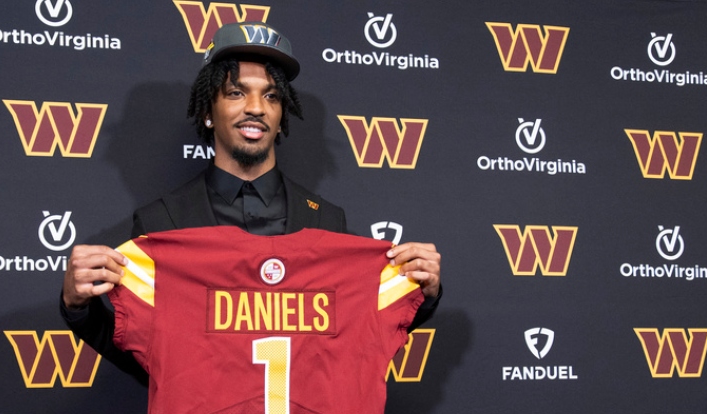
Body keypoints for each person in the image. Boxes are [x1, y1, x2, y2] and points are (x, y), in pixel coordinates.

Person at [60, 22, 441, 364]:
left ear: (281, 116)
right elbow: (143, 354)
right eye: (236, 93)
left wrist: (419, 292)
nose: (256, 108)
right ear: (208, 111)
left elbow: (355, 335)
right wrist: (78, 307)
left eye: (271, 96)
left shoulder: (326, 218)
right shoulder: (160, 221)